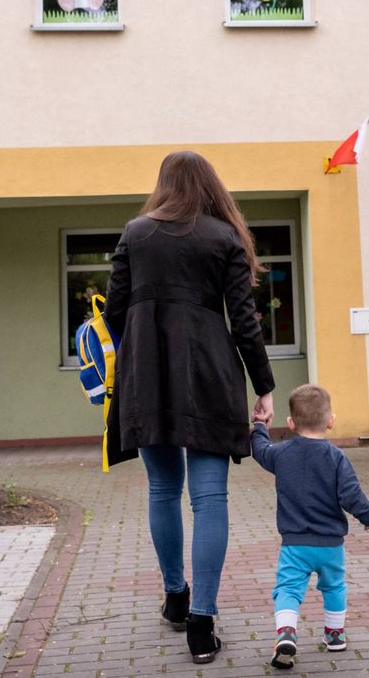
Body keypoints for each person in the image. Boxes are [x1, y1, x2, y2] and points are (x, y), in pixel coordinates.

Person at [105, 150, 276, 664]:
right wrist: (264, 386)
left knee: (162, 488)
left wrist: (140, 344)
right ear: (209, 186)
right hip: (208, 374)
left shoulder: (135, 233)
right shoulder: (224, 237)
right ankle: (202, 624)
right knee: (210, 499)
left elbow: (114, 311)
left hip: (147, 377)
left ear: (164, 184)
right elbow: (244, 322)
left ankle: (175, 598)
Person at [251, 384, 369, 671]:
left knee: (288, 588)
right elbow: (351, 495)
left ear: (291, 423)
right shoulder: (336, 457)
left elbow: (260, 451)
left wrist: (259, 426)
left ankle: (286, 634)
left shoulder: (281, 453)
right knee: (334, 586)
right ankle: (335, 635)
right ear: (331, 421)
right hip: (330, 544)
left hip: (295, 544)